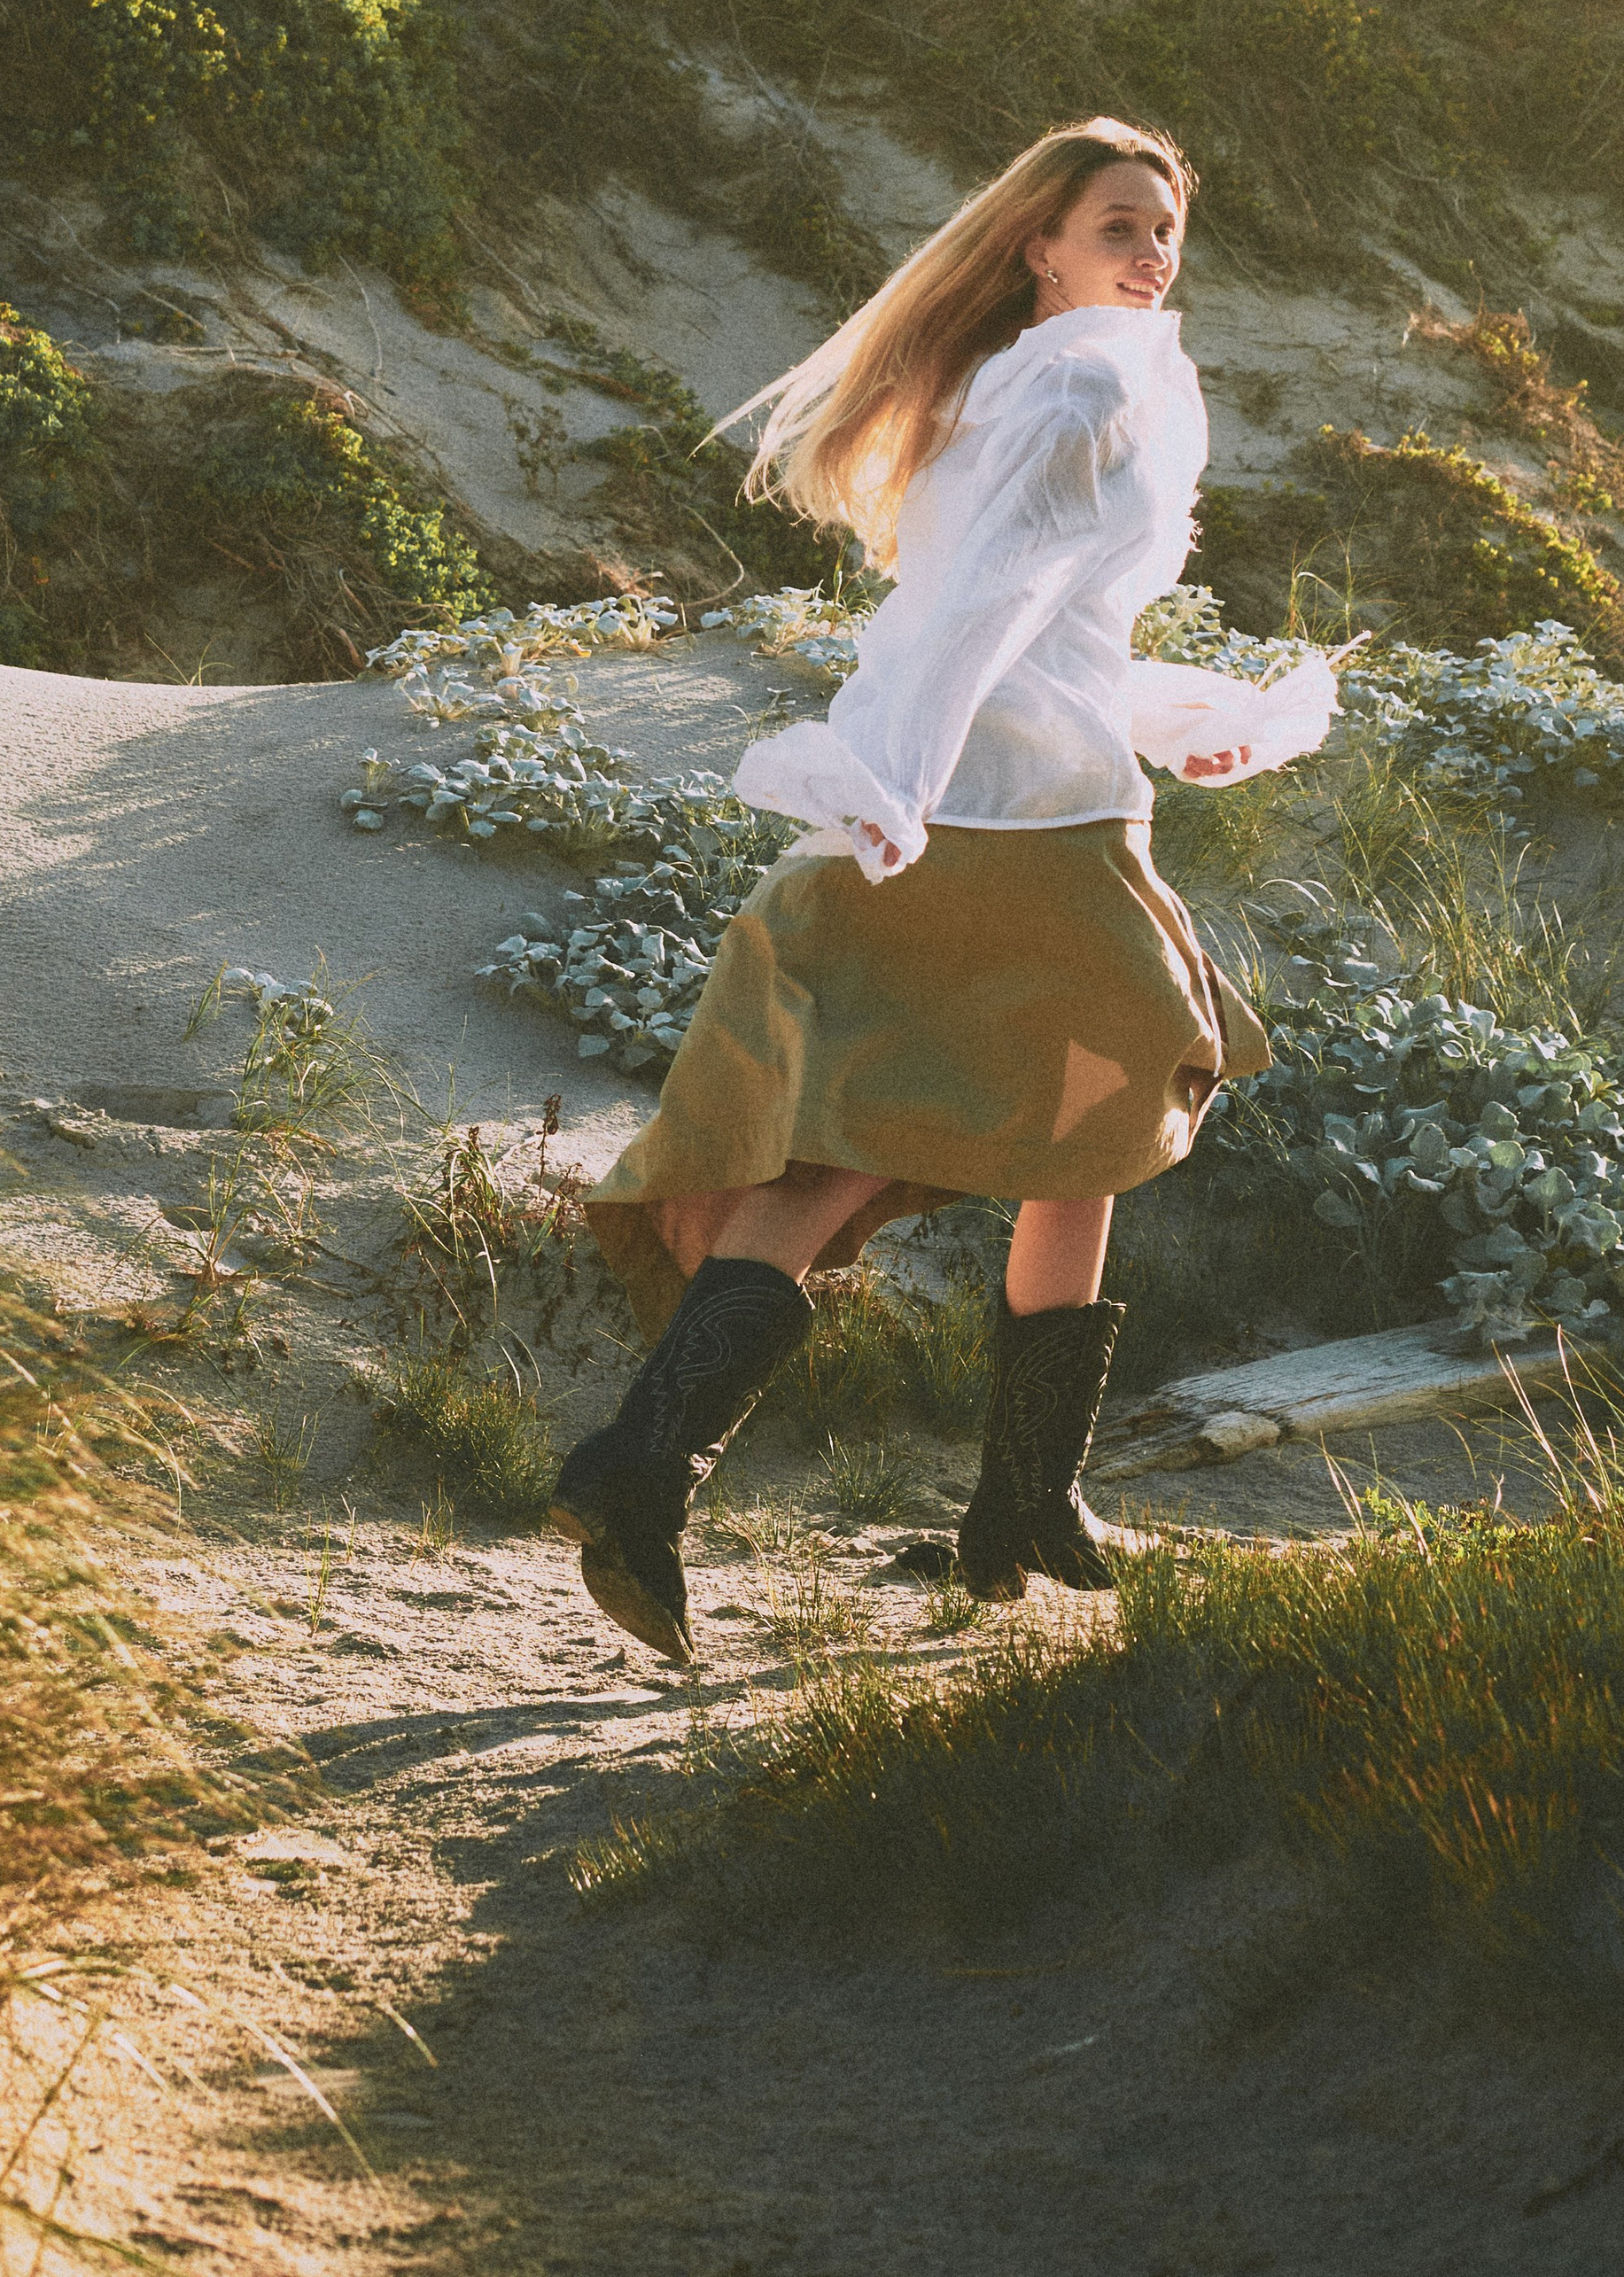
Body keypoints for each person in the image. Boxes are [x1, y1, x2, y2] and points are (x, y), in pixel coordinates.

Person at [547, 117, 1341, 1665]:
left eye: (1167, 228)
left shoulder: (1052, 377)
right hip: (1001, 824)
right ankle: (676, 1470)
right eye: (1121, 224)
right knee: (1055, 1103)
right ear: (1040, 245)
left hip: (1035, 801)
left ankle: (1004, 1494)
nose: (1153, 251)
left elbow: (1053, 626)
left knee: (1055, 1120)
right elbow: (973, 608)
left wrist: (1189, 720)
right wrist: (887, 778)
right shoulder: (1087, 380)